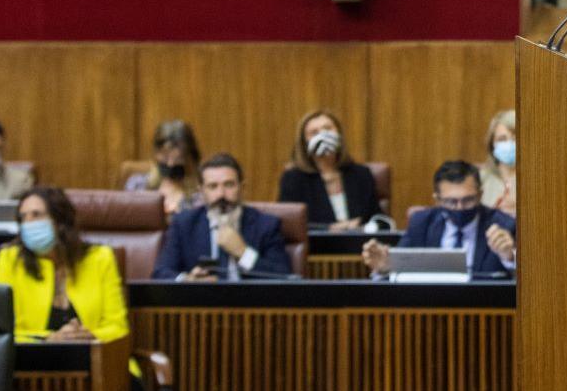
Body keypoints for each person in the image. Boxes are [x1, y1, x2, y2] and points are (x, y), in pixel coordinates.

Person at [0, 186, 165, 391]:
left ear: (61, 220)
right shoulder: (10, 261)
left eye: (37, 215)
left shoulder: (100, 258)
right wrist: (49, 339)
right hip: (34, 368)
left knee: (121, 380)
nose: (28, 223)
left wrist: (85, 337)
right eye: (23, 217)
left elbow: (118, 328)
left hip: (96, 361)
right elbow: (4, 331)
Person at [362, 160, 516, 278]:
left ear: (480, 195)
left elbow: (519, 285)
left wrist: (509, 257)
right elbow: (402, 272)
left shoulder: (504, 225)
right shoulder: (421, 223)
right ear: (437, 200)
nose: (460, 208)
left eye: (468, 200)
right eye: (451, 202)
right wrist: (385, 267)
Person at [153, 153, 291, 280]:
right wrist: (187, 279)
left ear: (242, 188)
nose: (221, 194)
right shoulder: (184, 224)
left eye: (229, 185)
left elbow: (284, 275)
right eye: (213, 186)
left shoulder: (266, 225)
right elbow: (161, 273)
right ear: (201, 191)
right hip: (202, 304)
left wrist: (243, 253)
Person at [278, 110, 379, 230]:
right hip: (317, 246)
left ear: (339, 134)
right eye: (314, 132)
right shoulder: (294, 178)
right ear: (304, 143)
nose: (323, 135)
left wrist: (362, 225)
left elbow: (379, 219)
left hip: (358, 244)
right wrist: (330, 228)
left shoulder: (361, 174)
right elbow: (289, 224)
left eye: (328, 128)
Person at [125, 120, 203, 216]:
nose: (170, 164)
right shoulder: (137, 185)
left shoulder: (202, 192)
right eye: (165, 157)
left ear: (190, 158)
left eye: (178, 159)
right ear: (155, 155)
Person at [478, 110, 516, 215]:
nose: (509, 144)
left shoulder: (538, 181)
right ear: (492, 144)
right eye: (502, 139)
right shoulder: (480, 178)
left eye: (515, 138)